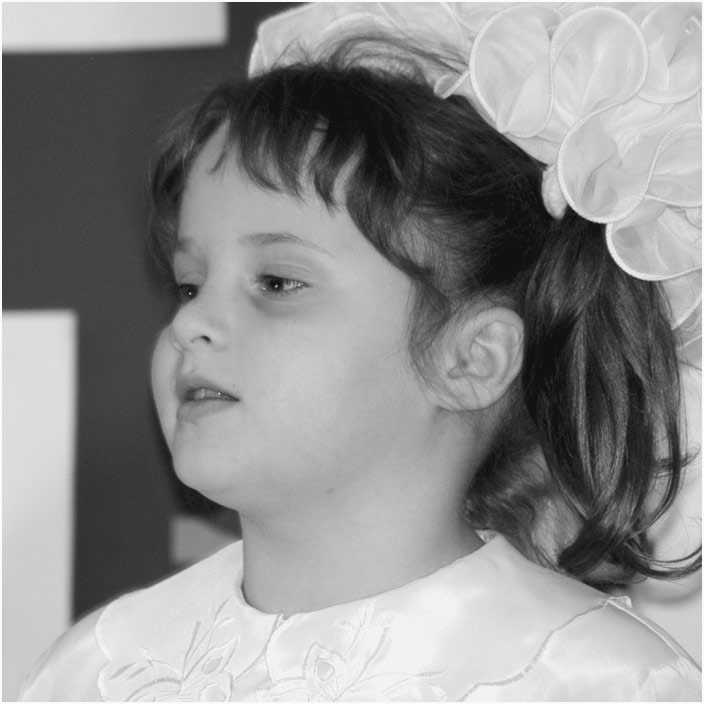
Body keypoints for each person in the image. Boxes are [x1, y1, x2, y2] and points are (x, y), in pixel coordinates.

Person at [21, 3, 702, 701]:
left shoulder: (594, 681)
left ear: (470, 360)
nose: (191, 321)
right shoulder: (93, 671)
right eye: (189, 284)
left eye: (277, 283)